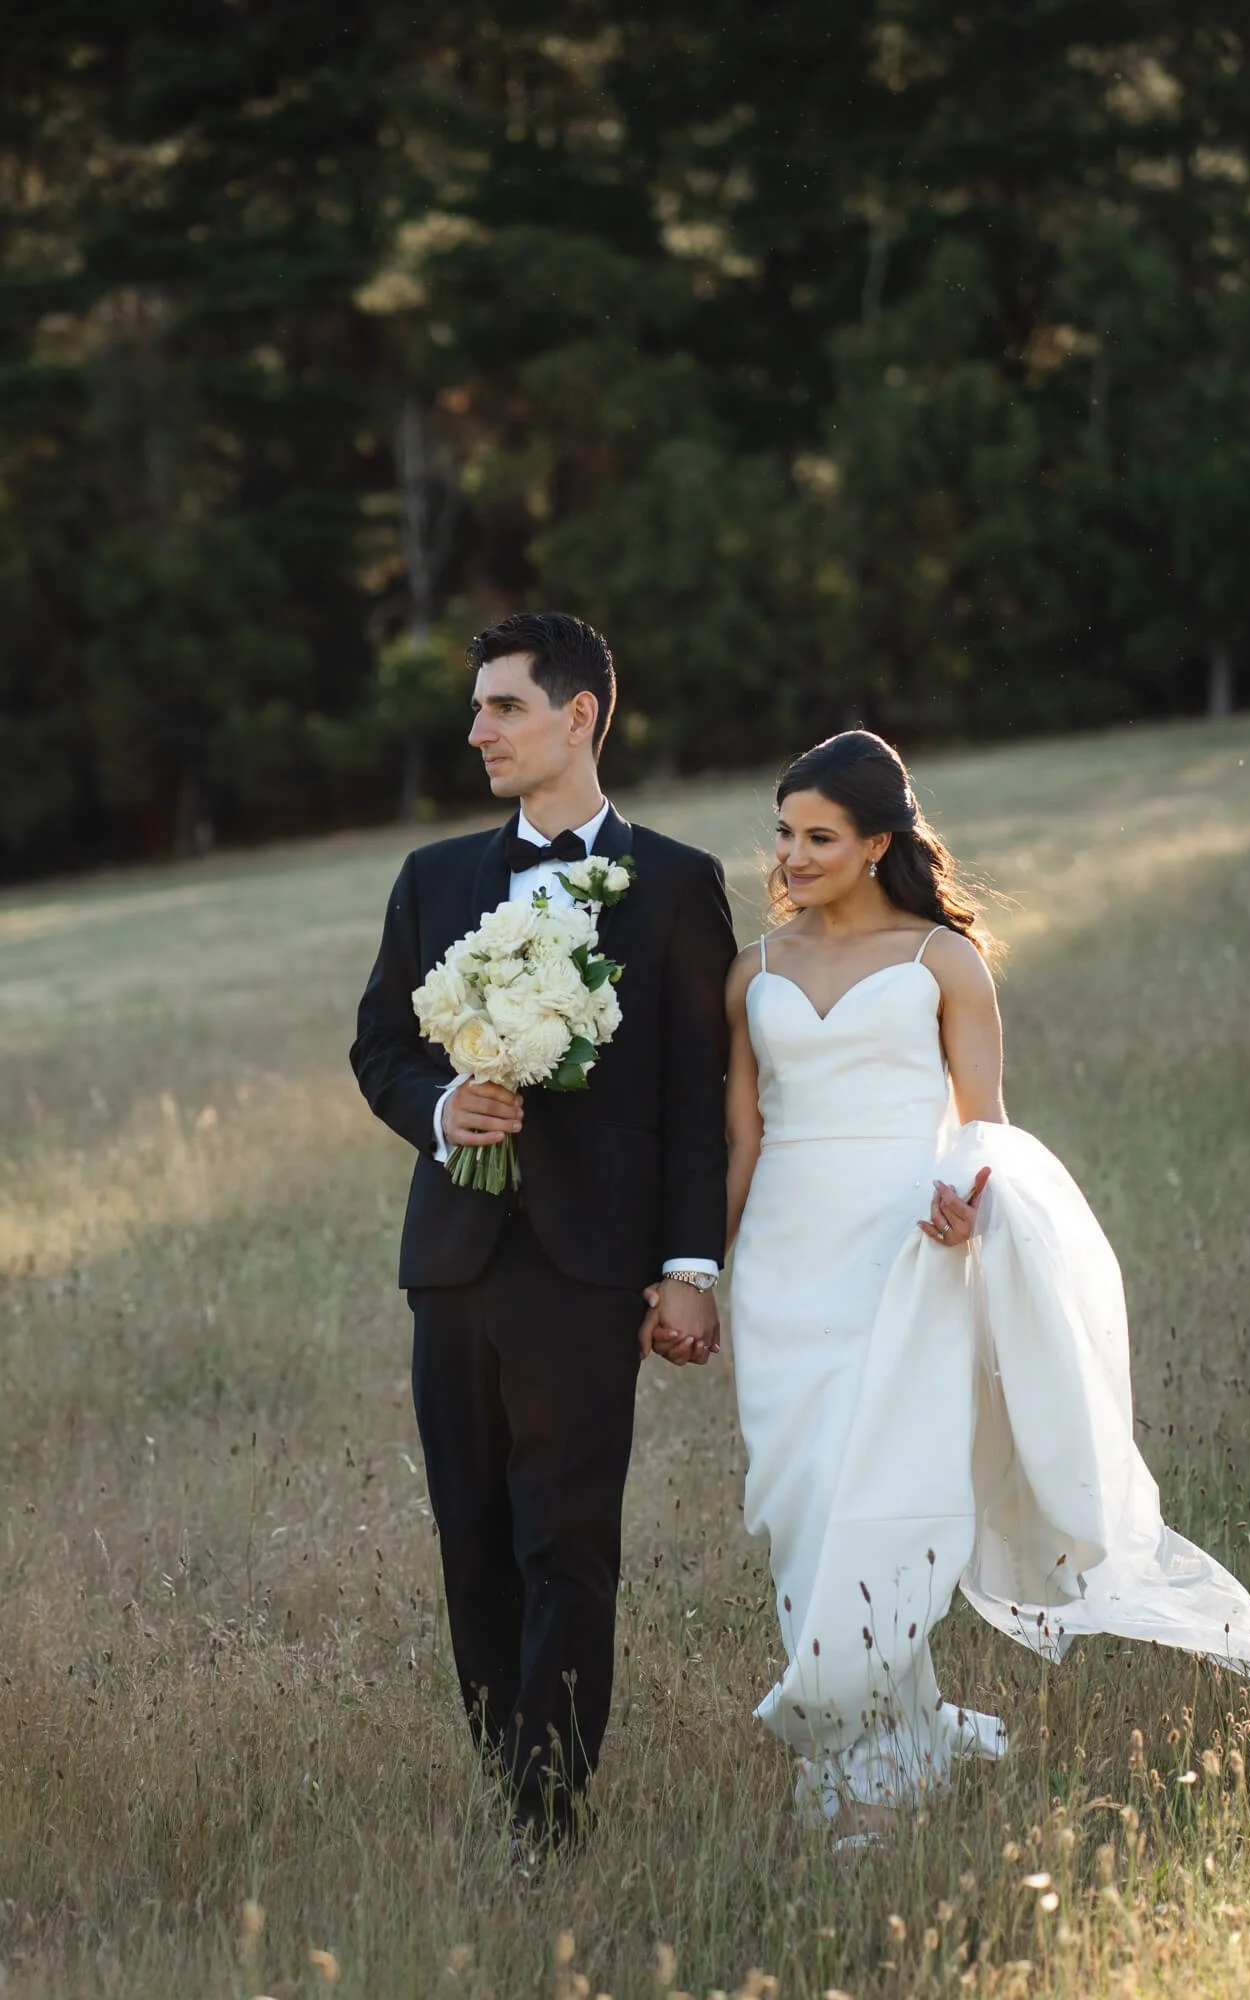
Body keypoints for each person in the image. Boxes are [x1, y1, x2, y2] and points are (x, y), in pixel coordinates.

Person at [652, 728, 1250, 1845]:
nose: (791, 854)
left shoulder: (941, 961)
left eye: (818, 835)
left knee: (883, 1497)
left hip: (905, 1254)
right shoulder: (753, 969)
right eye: (783, 832)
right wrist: (695, 1275)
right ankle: (896, 1726)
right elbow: (741, 1139)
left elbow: (983, 1126)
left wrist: (969, 1201)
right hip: (783, 1266)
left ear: (876, 843)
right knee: (801, 1506)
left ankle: (861, 1767)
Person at [350, 613, 735, 1850]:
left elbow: (694, 1095)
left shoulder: (675, 883)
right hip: (454, 1261)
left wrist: (686, 1267)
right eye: (476, 709)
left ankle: (545, 1813)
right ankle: (508, 1763)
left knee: (566, 1539)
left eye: (502, 707)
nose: (477, 731)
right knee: (471, 1540)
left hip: (586, 1265)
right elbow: (381, 1049)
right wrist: (440, 1105)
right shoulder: (434, 878)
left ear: (577, 715)